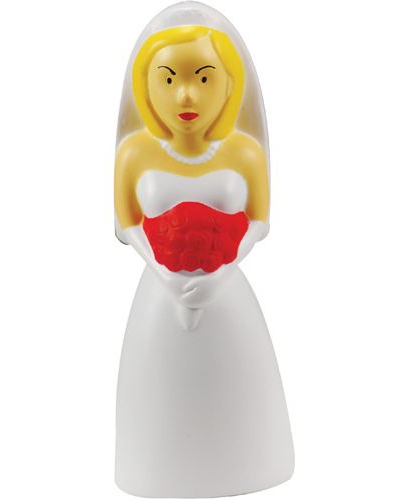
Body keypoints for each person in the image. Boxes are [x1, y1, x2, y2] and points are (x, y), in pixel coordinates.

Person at [114, 3, 294, 497]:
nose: (186, 95)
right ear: (146, 87)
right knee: (158, 398)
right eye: (169, 79)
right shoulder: (133, 154)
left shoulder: (246, 152)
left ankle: (253, 463)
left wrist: (221, 275)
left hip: (227, 296)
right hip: (159, 300)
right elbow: (127, 224)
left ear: (230, 84)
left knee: (238, 396)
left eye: (204, 77)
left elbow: (259, 222)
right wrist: (165, 276)